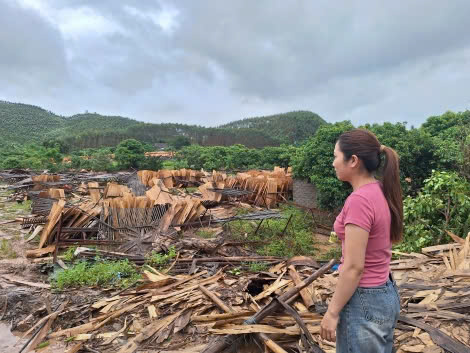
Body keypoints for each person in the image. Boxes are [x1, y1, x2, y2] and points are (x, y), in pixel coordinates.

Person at [320, 129, 402, 353]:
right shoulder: (380, 190)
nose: (333, 162)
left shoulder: (359, 200)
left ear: (353, 160)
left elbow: (355, 267)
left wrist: (332, 312)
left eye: (336, 156)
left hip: (364, 301)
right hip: (385, 291)